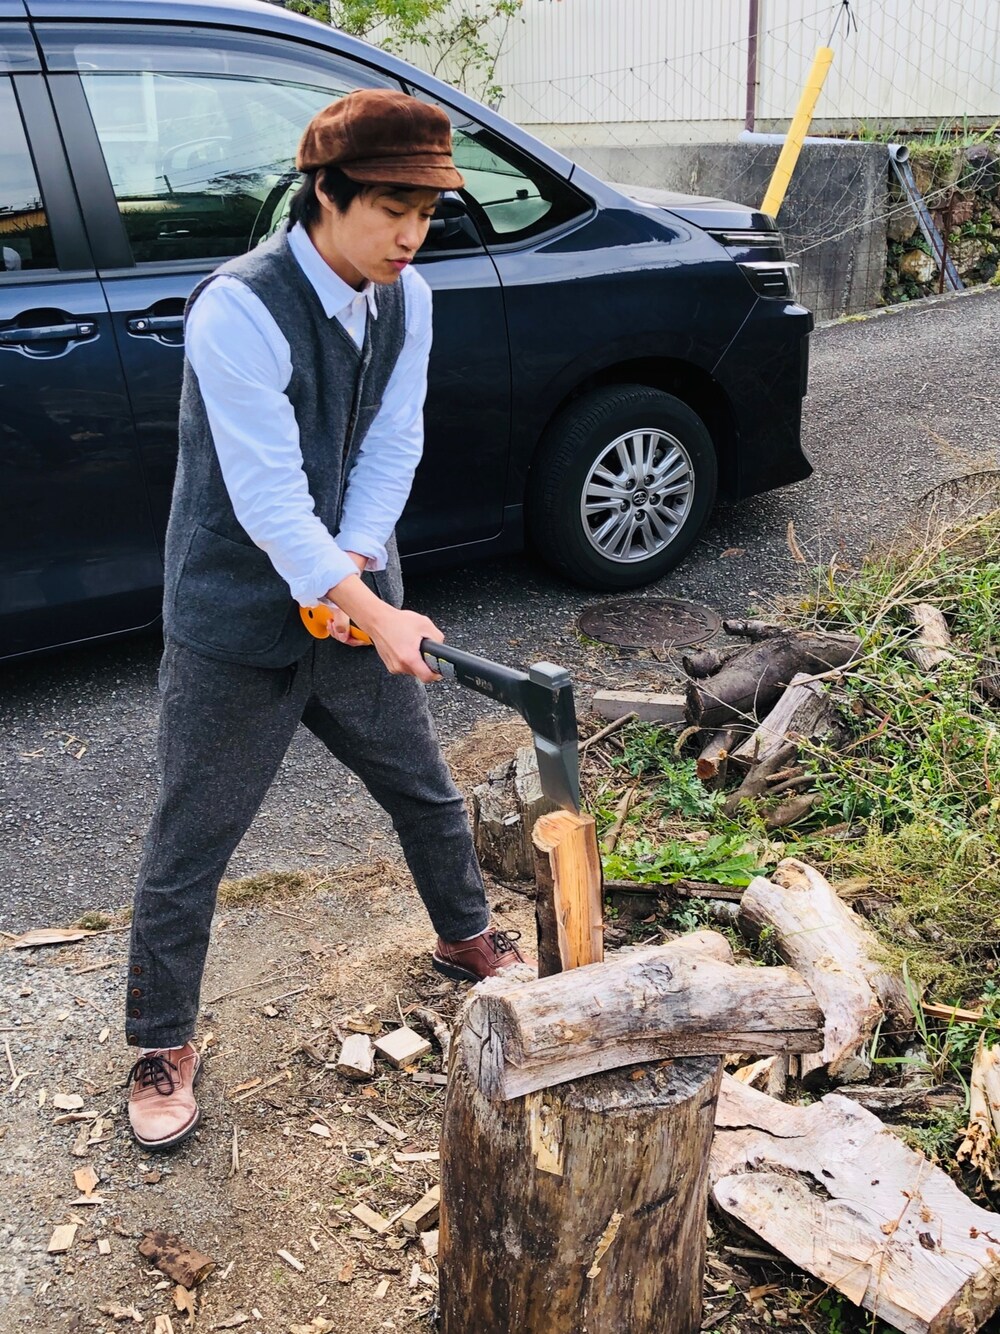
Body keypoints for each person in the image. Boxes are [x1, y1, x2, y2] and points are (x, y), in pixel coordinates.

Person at [124, 90, 530, 1152]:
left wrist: (352, 574)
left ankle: (465, 935)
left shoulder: (409, 299)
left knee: (422, 787)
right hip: (232, 615)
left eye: (426, 213)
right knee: (191, 838)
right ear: (326, 194)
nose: (411, 235)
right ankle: (161, 1041)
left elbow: (394, 443)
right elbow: (265, 498)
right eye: (392, 209)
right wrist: (374, 610)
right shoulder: (237, 309)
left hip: (351, 601)